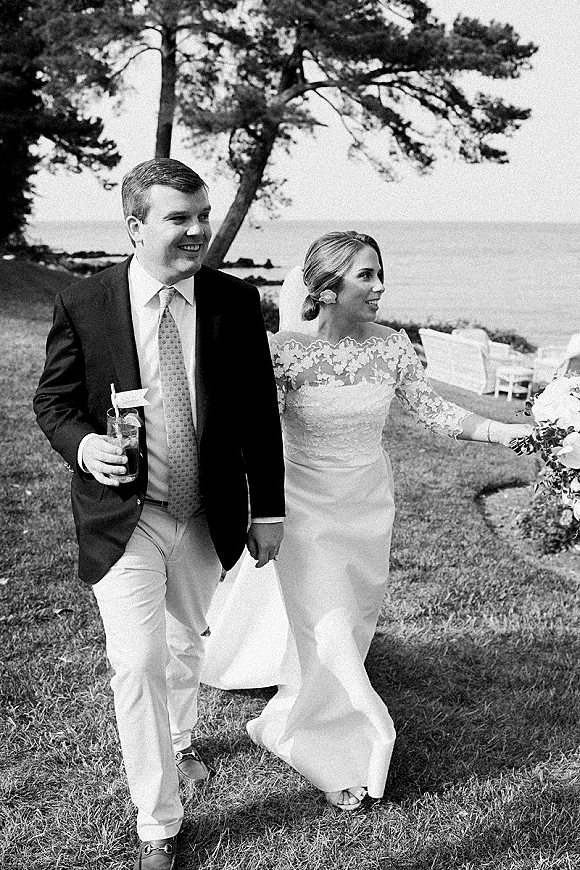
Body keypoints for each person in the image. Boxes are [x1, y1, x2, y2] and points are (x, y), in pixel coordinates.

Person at [201, 231, 532, 812]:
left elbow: (433, 410)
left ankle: (295, 715)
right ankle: (338, 754)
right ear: (326, 288)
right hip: (304, 509)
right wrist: (255, 508)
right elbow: (253, 438)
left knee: (350, 625)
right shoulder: (284, 353)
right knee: (327, 626)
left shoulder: (392, 345)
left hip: (369, 506)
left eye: (381, 274)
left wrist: (504, 431)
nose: (380, 288)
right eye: (365, 276)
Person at [33, 158, 285, 870]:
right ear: (135, 226)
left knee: (184, 644)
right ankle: (159, 824)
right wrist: (85, 447)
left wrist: (268, 508)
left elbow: (259, 417)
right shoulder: (84, 304)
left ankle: (180, 738)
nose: (199, 230)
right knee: (136, 660)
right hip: (125, 515)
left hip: (208, 513)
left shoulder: (235, 301)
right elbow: (53, 403)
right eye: (180, 218)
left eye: (203, 214)